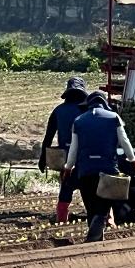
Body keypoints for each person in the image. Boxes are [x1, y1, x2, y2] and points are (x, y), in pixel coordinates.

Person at [63, 90, 135, 243]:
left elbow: (73, 149)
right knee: (103, 205)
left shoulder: (79, 121)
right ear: (105, 104)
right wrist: (133, 162)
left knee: (90, 205)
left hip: (86, 170)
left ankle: (96, 237)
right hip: (108, 169)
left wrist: (68, 168)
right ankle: (100, 222)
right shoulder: (114, 118)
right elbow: (125, 142)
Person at [39, 76, 88, 223]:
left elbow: (48, 137)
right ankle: (102, 217)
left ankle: (61, 218)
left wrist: (43, 158)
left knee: (66, 187)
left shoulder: (58, 110)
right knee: (89, 188)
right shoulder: (86, 110)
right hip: (84, 156)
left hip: (65, 156)